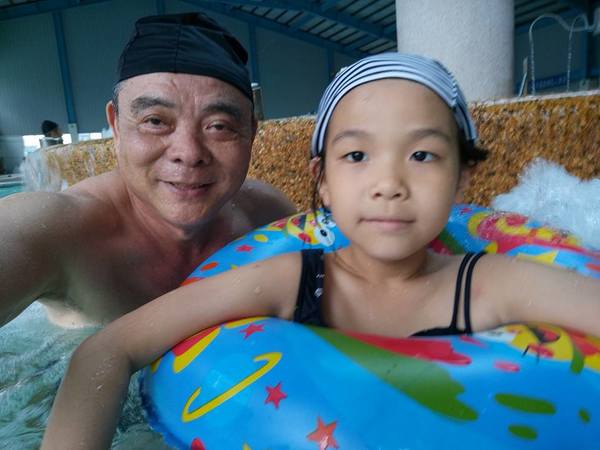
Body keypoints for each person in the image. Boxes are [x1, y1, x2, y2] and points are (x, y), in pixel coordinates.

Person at [42, 53, 600, 448]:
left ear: (462, 181)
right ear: (323, 182)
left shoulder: (492, 284)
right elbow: (109, 349)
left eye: (423, 156)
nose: (389, 184)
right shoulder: (292, 280)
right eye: (357, 156)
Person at [0, 13, 295, 329]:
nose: (188, 154)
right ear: (116, 126)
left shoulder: (268, 216)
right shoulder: (59, 233)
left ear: (251, 132)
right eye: (155, 121)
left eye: (219, 126)